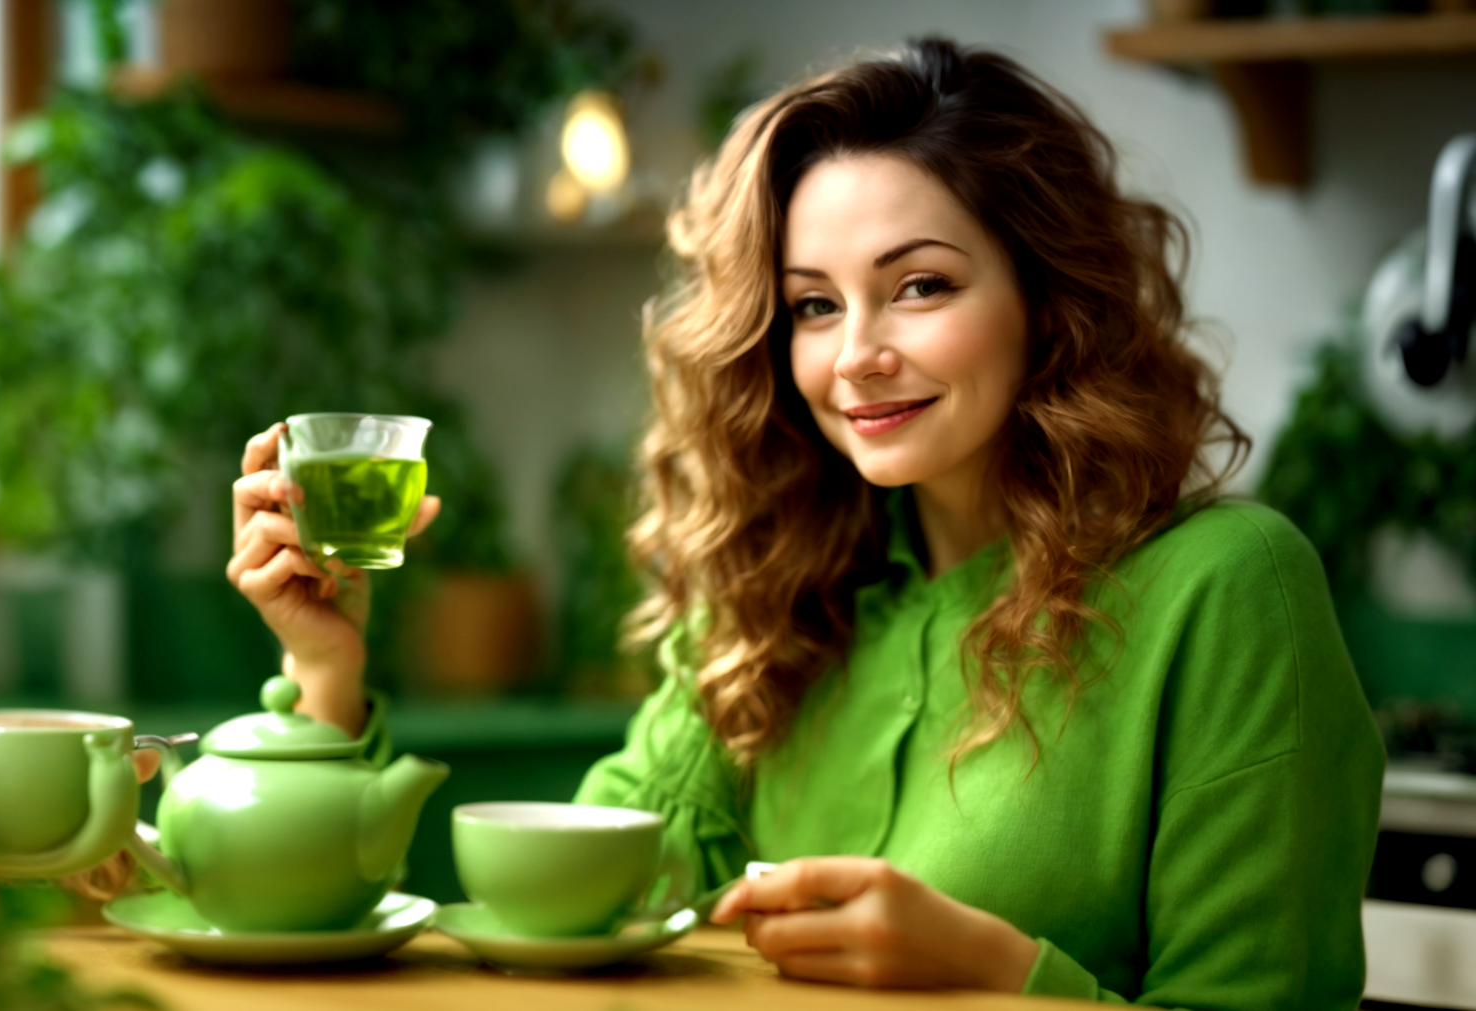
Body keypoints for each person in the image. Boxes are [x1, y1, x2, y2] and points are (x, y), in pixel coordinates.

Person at [228, 38, 1383, 1008]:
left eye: (921, 285)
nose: (857, 356)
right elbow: (561, 915)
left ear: (1047, 296)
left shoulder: (1231, 590)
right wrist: (325, 675)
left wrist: (994, 973)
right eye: (813, 307)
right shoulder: (772, 606)